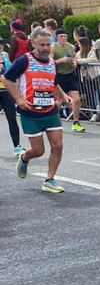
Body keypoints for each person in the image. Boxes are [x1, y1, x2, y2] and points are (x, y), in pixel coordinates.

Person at [5, 27, 68, 193]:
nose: (46, 48)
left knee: (58, 145)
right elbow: (6, 79)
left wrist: (62, 96)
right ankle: (25, 157)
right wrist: (18, 99)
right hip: (30, 112)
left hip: (50, 110)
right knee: (38, 150)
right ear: (33, 43)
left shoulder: (52, 63)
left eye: (48, 44)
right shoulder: (24, 60)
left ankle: (49, 180)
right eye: (42, 45)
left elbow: (53, 83)